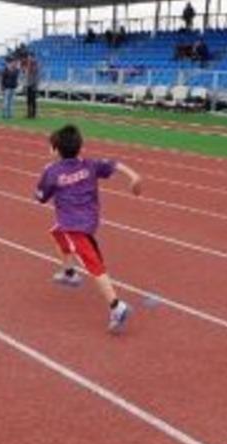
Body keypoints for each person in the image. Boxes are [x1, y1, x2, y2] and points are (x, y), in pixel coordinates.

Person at [35, 125, 142, 334]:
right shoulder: (90, 164)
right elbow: (115, 165)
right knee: (57, 232)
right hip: (90, 220)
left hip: (74, 226)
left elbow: (40, 197)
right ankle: (69, 272)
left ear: (56, 150)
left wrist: (44, 185)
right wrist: (134, 176)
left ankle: (116, 306)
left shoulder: (51, 171)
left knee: (93, 265)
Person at [24, 54, 40, 119]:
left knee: (33, 100)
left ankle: (33, 114)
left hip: (33, 85)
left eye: (30, 57)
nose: (29, 59)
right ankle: (29, 113)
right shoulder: (29, 65)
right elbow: (27, 75)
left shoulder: (34, 66)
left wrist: (35, 85)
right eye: (28, 58)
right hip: (29, 85)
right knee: (28, 100)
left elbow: (35, 76)